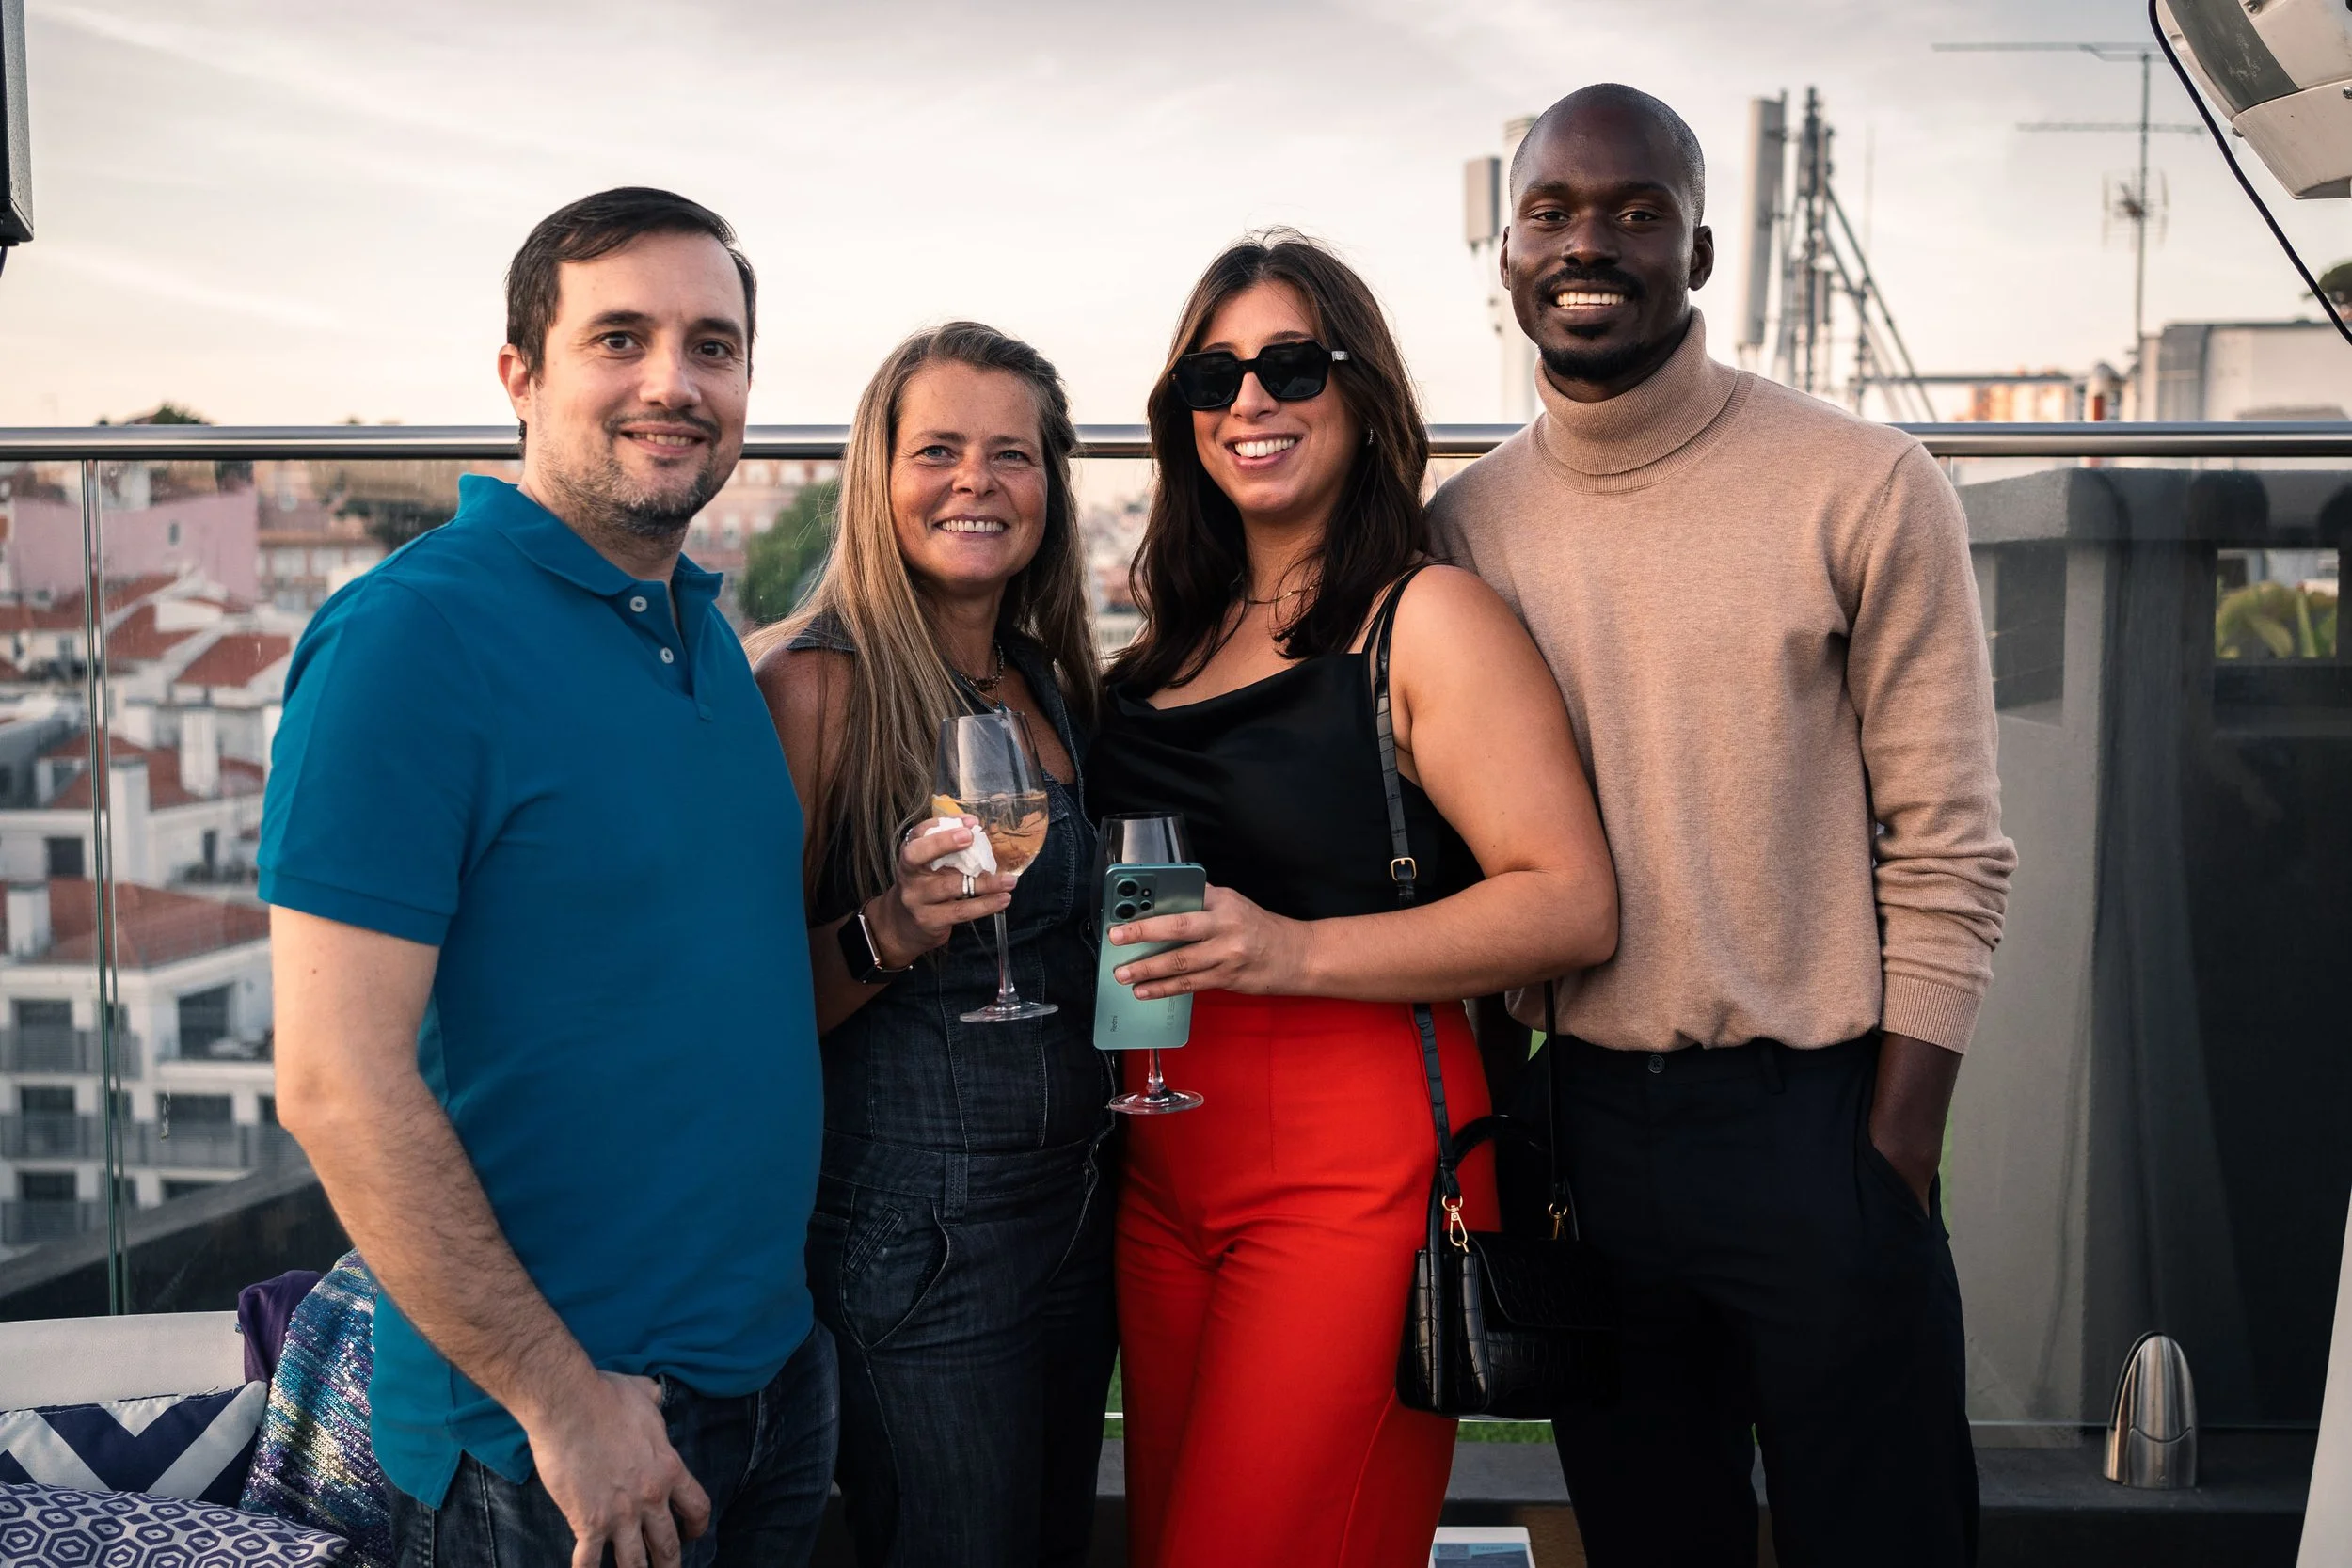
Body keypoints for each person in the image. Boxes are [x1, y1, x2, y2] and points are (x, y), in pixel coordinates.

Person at [1427, 86, 2017, 1567]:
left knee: (1885, 1543)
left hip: (1819, 1117)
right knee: (1649, 1545)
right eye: (1552, 211)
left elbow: (1949, 841)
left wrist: (1893, 1154)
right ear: (1507, 254)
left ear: (1698, 252)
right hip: (1584, 1135)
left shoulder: (1864, 483)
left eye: (1637, 213)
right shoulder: (1463, 527)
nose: (1589, 244)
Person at [264, 187, 835, 1568]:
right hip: (551, 1446)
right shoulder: (410, 638)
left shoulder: (707, 636)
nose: (674, 382)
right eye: (619, 338)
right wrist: (561, 1401)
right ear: (519, 373)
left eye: (713, 346)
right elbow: (335, 1082)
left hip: (771, 1383)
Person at [1086, 232, 1619, 1568]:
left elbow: (1571, 903)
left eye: (1289, 365)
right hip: (1162, 1168)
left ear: (1364, 393)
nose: (1248, 401)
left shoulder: (1425, 619)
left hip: (1355, 1170)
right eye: (1212, 376)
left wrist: (1289, 949)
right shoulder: (1167, 638)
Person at [749, 323, 1116, 1568]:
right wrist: (894, 925)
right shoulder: (812, 690)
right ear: (879, 474)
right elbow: (751, 1014)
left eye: (1012, 453)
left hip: (1076, 1205)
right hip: (921, 1234)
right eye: (939, 450)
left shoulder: (1044, 676)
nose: (977, 480)